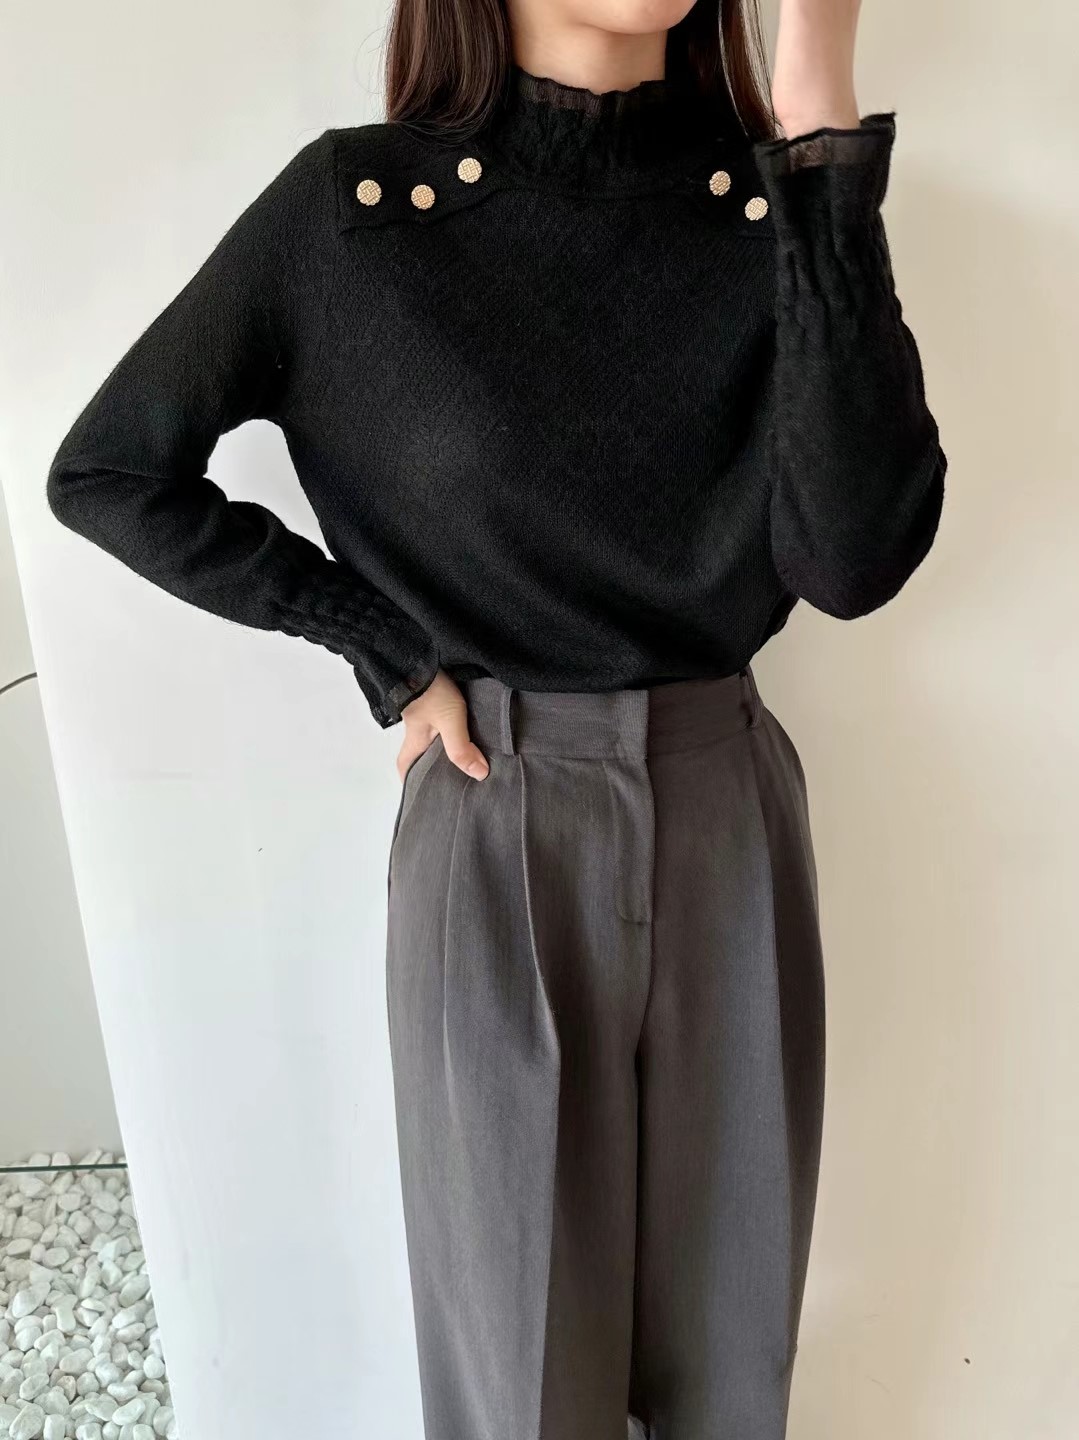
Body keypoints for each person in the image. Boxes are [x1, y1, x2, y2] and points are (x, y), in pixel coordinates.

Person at [45, 0, 947, 1436]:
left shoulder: (770, 204)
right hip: (494, 810)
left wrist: (818, 112)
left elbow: (852, 561)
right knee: (520, 1386)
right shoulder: (356, 216)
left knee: (735, 1371)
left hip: (729, 808)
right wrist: (381, 648)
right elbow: (110, 470)